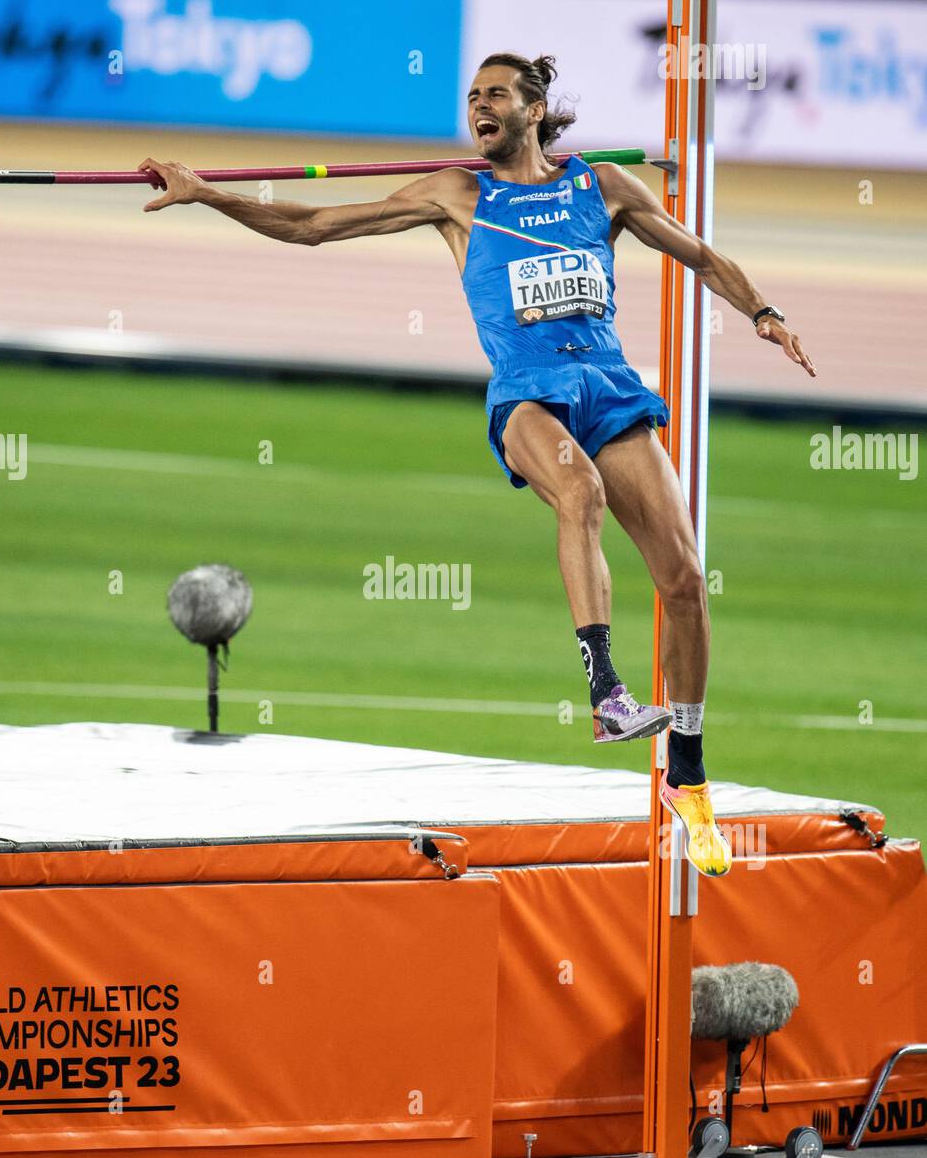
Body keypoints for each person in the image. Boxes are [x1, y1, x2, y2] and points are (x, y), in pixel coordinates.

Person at [138, 52, 816, 876]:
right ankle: (605, 688)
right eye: (471, 98)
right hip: (529, 396)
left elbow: (701, 257)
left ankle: (690, 774)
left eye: (494, 95)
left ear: (535, 109)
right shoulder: (455, 194)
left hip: (607, 385)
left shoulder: (600, 186)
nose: (477, 108)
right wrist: (208, 193)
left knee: (683, 579)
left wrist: (765, 312)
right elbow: (313, 226)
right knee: (580, 488)